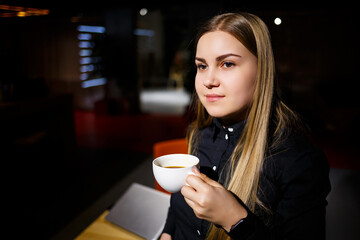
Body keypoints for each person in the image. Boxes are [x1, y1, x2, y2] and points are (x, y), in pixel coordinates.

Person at [160, 12, 331, 240]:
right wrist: (167, 232)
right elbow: (180, 203)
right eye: (202, 66)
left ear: (263, 70)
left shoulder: (298, 162)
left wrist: (236, 220)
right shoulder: (199, 133)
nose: (209, 80)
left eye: (227, 64)